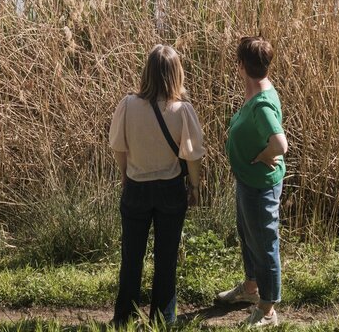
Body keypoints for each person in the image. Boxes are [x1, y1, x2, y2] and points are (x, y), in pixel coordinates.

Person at [109, 44, 204, 327]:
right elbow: (193, 155)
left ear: (146, 72)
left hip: (136, 186)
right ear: (177, 74)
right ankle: (162, 319)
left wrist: (125, 173)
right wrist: (195, 187)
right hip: (170, 189)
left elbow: (117, 146)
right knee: (166, 258)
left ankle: (123, 317)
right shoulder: (182, 110)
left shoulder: (127, 105)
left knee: (131, 257)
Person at [216, 36, 288, 327]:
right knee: (249, 237)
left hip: (260, 187)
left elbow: (280, 144)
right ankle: (250, 289)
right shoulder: (257, 91)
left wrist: (262, 155)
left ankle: (268, 309)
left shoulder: (261, 104)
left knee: (264, 244)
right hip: (249, 182)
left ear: (241, 65)